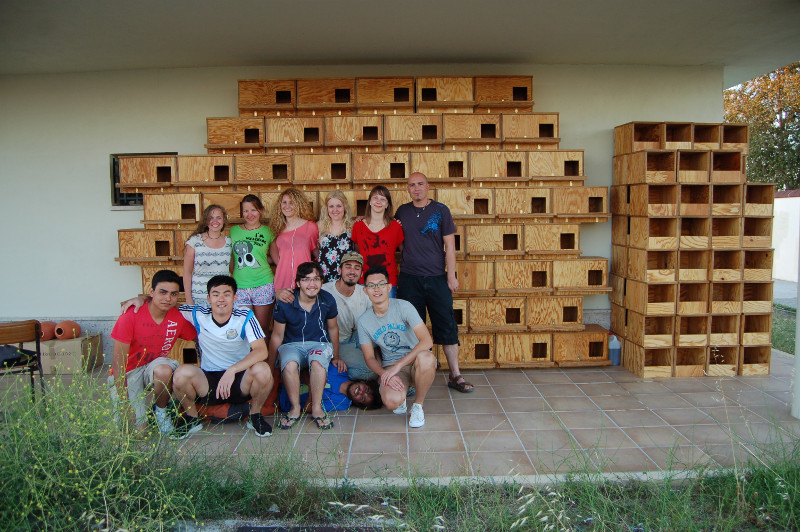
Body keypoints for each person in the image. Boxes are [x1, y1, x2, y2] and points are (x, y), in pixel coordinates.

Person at [125, 275, 275, 439]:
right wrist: (144, 298)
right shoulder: (198, 313)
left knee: (263, 369)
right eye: (216, 294)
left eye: (226, 294)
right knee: (181, 373)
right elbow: (166, 303)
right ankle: (192, 418)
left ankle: (254, 416)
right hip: (208, 380)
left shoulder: (245, 315)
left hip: (239, 379)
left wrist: (232, 370)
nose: (221, 299)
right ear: (208, 298)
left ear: (235, 297)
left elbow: (261, 351)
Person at [394, 172, 474, 393]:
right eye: (412, 185)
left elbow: (450, 246)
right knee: (411, 329)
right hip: (410, 279)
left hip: (438, 278)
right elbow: (399, 240)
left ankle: (455, 375)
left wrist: (451, 275)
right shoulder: (402, 211)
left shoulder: (441, 211)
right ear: (407, 189)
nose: (416, 188)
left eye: (420, 184)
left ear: (428, 187)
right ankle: (413, 375)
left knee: (446, 325)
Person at [109, 270, 197, 433]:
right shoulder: (131, 315)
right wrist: (124, 402)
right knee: (137, 432)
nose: (168, 298)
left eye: (173, 294)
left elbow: (199, 338)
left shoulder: (177, 316)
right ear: (151, 292)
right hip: (129, 371)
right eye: (162, 292)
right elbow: (118, 361)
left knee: (164, 369)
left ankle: (161, 412)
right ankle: (139, 414)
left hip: (154, 367)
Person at [357, 266, 436, 428]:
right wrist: (385, 373)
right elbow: (369, 358)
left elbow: (427, 341)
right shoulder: (364, 321)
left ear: (389, 287)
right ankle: (401, 398)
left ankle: (417, 405)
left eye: (381, 284)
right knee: (391, 401)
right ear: (365, 291)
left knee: (427, 357)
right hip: (392, 367)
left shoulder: (403, 307)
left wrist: (399, 364)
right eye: (371, 285)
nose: (376, 289)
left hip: (415, 362)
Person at [269, 261, 341, 430]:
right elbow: (277, 336)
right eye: (307, 279)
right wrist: (271, 365)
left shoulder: (327, 299)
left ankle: (316, 408)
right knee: (290, 363)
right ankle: (295, 409)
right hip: (292, 344)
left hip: (319, 343)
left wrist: (336, 356)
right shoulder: (286, 301)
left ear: (322, 282)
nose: (312, 284)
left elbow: (333, 328)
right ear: (298, 283)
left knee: (317, 361)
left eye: (316, 279)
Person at [229, 194, 276, 336]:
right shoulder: (234, 231)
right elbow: (232, 259)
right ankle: (249, 358)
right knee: (245, 328)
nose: (250, 214)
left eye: (253, 210)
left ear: (261, 210)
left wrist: (260, 260)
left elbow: (275, 259)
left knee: (262, 328)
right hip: (240, 286)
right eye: (246, 211)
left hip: (263, 284)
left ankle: (264, 359)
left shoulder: (268, 231)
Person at [351, 185, 404, 297]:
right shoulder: (358, 226)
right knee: (364, 314)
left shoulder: (395, 226)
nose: (379, 201)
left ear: (387, 204)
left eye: (383, 199)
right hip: (364, 281)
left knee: (387, 314)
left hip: (387, 282)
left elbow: (404, 252)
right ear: (370, 201)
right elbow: (357, 252)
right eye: (375, 197)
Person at [269, 187, 319, 291]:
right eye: (284, 202)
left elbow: (316, 253)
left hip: (305, 279)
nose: (287, 206)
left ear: (298, 204)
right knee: (284, 307)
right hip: (282, 279)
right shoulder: (277, 229)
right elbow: (274, 253)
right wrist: (283, 265)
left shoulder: (310, 226)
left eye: (291, 202)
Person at [183, 204, 232, 307]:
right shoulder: (195, 241)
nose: (215, 221)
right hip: (199, 298)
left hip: (222, 299)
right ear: (206, 221)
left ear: (224, 220)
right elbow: (187, 272)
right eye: (211, 218)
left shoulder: (229, 242)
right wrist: (188, 299)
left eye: (219, 218)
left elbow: (232, 269)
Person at [278, 367, 381, 412]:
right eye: (366, 389)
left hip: (280, 401)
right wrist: (312, 384)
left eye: (362, 398)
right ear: (364, 382)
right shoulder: (339, 370)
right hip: (281, 379)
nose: (360, 392)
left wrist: (312, 391)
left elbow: (308, 409)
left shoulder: (342, 403)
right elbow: (304, 370)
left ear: (358, 402)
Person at [317, 190, 356, 283]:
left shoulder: (352, 226)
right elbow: (315, 248)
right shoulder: (319, 226)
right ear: (326, 208)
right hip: (325, 275)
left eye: (339, 206)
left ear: (345, 207)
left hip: (346, 276)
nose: (335, 210)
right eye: (331, 206)